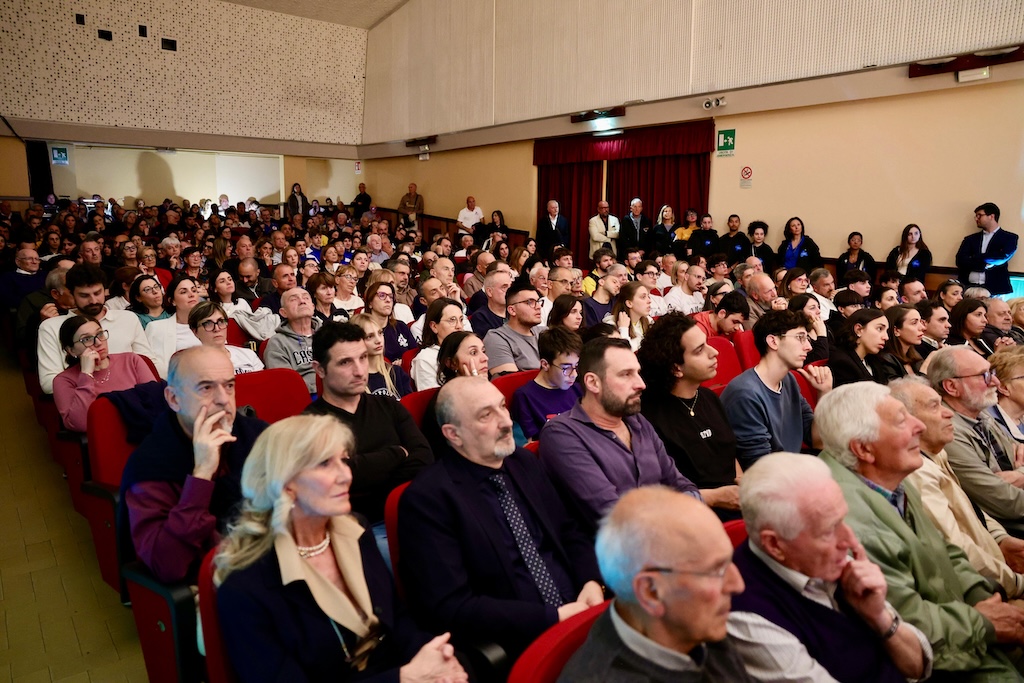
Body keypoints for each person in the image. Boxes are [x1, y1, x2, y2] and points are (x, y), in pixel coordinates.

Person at [213, 414, 466, 683]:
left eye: (343, 460)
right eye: (324, 464)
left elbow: (398, 621)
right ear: (285, 484)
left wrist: (436, 660)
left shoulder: (355, 531)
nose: (346, 475)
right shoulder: (244, 587)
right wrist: (404, 678)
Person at [815, 382, 1024, 680]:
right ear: (863, 448)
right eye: (902, 420)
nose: (918, 426)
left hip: (963, 622)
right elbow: (908, 624)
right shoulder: (850, 523)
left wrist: (981, 595)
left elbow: (945, 551)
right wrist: (983, 622)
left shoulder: (887, 475)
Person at [398, 377, 603, 659]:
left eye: (503, 407)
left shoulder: (524, 462)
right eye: (486, 415)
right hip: (519, 640)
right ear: (453, 434)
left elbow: (569, 532)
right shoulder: (429, 499)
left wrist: (591, 581)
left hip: (582, 611)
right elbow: (453, 605)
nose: (506, 422)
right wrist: (552, 617)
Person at [727, 452, 931, 682]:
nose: (850, 541)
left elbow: (918, 667)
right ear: (775, 545)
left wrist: (879, 618)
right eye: (828, 530)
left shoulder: (831, 559)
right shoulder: (747, 615)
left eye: (843, 519)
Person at [560, 487, 751, 683]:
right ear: (651, 592)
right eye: (716, 571)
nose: (737, 585)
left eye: (730, 562)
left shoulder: (694, 624)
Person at [120, 345, 268, 583]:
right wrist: (201, 476)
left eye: (229, 386)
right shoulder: (151, 465)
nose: (223, 400)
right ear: (174, 398)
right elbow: (167, 565)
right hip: (210, 584)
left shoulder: (258, 436)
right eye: (206, 388)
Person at [539, 336, 701, 534]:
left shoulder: (637, 421)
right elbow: (614, 515)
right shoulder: (561, 435)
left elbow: (680, 483)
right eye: (626, 374)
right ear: (593, 383)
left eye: (638, 373)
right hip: (614, 558)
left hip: (670, 537)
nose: (641, 384)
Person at [891, 377, 1024, 601]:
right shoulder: (917, 473)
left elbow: (970, 511)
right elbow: (958, 549)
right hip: (987, 589)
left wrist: (1001, 539)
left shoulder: (936, 453)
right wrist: (1018, 583)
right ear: (907, 421)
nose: (949, 413)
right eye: (934, 406)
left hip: (998, 565)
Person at [306, 322, 432, 529]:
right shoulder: (310, 423)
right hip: (361, 525)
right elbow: (336, 480)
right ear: (320, 369)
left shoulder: (388, 405)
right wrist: (397, 454)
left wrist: (365, 471)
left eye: (363, 358)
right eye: (345, 362)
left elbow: (424, 457)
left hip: (412, 508)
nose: (359, 371)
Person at [636, 314, 743, 521]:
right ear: (676, 368)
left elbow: (728, 453)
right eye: (700, 350)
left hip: (733, 503)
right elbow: (658, 493)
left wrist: (742, 482)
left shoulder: (709, 397)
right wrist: (716, 497)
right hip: (691, 515)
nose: (715, 352)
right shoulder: (648, 416)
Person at [929, 346, 1024, 538]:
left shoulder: (981, 416)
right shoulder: (949, 433)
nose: (995, 382)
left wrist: (1020, 474)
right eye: (984, 375)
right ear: (951, 387)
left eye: (992, 373)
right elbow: (1006, 502)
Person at [721, 311, 830, 469]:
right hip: (771, 480)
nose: (808, 346)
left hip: (789, 469)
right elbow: (763, 468)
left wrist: (824, 393)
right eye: (800, 338)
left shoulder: (788, 380)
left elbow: (817, 440)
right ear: (773, 341)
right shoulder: (745, 394)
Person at [37, 263, 152, 394]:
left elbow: (146, 361)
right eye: (84, 295)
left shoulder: (127, 318)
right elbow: (49, 383)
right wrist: (90, 378)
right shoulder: (51, 327)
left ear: (105, 290)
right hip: (87, 399)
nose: (93, 300)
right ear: (72, 294)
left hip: (133, 394)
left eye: (97, 293)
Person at [53, 316, 158, 432]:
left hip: (145, 434)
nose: (98, 342)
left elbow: (156, 402)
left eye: (100, 334)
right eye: (87, 339)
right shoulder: (64, 380)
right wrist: (86, 374)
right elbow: (82, 424)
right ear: (71, 350)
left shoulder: (131, 360)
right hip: (105, 443)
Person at [510, 326, 582, 441]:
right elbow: (531, 444)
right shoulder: (525, 397)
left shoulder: (578, 389)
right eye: (566, 368)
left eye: (576, 367)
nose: (574, 374)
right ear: (545, 364)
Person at [145, 273, 203, 378]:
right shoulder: (156, 328)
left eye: (194, 290)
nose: (191, 294)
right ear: (172, 301)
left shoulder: (212, 324)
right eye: (184, 292)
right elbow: (150, 364)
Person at [264, 287, 318, 394]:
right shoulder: (277, 343)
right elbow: (285, 383)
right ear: (283, 312)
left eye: (306, 298)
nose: (302, 301)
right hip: (305, 397)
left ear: (313, 307)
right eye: (294, 299)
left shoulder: (330, 334)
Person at [957, 203, 1019, 296]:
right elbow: (960, 260)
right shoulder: (970, 239)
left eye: (979, 215)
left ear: (991, 216)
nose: (976, 218)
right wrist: (983, 264)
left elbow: (1002, 257)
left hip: (994, 289)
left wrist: (974, 257)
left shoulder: (1009, 238)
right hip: (968, 287)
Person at [483, 280, 542, 377]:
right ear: (512, 310)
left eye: (538, 302)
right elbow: (510, 383)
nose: (538, 307)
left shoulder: (544, 332)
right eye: (530, 302)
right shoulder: (496, 338)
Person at [348, 313, 414, 399]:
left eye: (380, 333)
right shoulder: (353, 382)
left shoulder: (397, 373)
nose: (378, 340)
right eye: (369, 336)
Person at [188, 302, 264, 375]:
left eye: (221, 321)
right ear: (195, 331)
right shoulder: (191, 366)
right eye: (208, 324)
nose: (217, 329)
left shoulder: (248, 354)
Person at [410, 298, 464, 391]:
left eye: (461, 320)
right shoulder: (425, 359)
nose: (459, 326)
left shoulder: (468, 351)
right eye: (452, 320)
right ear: (434, 326)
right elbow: (433, 401)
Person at [827, 309, 888, 387]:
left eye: (886, 331)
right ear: (858, 330)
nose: (886, 337)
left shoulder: (874, 360)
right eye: (879, 329)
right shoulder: (842, 363)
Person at [363, 281, 416, 364]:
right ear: (370, 303)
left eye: (391, 296)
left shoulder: (401, 327)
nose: (388, 300)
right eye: (382, 296)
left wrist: (405, 362)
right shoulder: (362, 329)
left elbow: (414, 354)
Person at [875, 305, 925, 383]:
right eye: (914, 323)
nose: (922, 327)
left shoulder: (915, 357)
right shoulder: (885, 360)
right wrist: (925, 368)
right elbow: (900, 392)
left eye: (920, 322)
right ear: (896, 330)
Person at [605, 281, 652, 351]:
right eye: (643, 297)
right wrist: (623, 329)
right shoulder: (611, 325)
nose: (649, 301)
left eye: (648, 296)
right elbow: (624, 354)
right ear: (629, 303)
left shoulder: (648, 320)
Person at [469, 268, 511, 338]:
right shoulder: (480, 317)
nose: (510, 291)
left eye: (510, 287)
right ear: (489, 292)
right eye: (504, 287)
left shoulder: (516, 312)